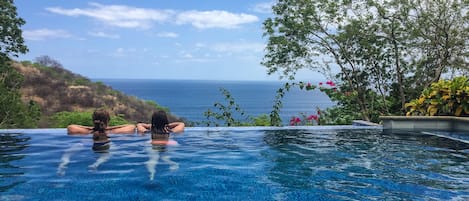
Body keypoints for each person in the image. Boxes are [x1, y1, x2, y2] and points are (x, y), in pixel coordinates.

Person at [67, 109, 136, 135]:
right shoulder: (112, 132)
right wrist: (109, 128)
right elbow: (132, 126)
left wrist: (92, 128)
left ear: (93, 120)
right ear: (108, 120)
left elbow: (70, 127)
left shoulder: (87, 132)